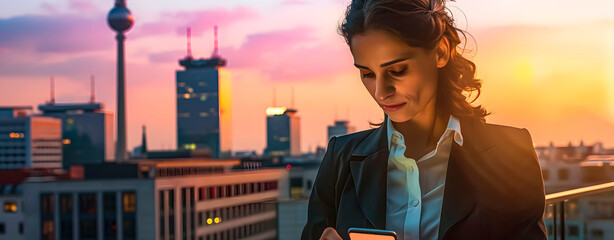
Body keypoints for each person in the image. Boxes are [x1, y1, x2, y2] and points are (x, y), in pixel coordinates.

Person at [301, 0, 547, 239]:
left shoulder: (510, 153)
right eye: (367, 74)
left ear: (440, 52)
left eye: (397, 71)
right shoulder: (340, 159)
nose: (380, 92)